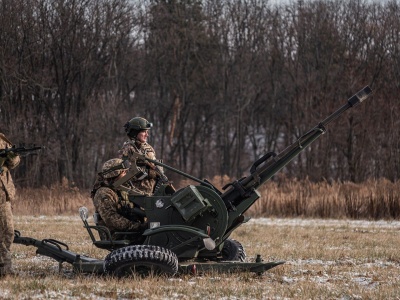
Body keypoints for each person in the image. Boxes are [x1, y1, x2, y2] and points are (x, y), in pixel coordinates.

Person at [91, 158, 148, 242]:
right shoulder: (103, 193)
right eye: (124, 172)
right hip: (118, 235)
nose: (126, 174)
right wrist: (139, 227)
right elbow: (112, 219)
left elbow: (142, 198)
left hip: (129, 231)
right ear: (115, 174)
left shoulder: (122, 188)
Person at [119, 117, 162, 195]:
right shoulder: (128, 149)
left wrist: (159, 171)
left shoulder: (148, 147)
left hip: (152, 191)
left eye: (147, 132)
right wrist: (149, 173)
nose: (147, 135)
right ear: (134, 132)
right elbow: (124, 173)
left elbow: (156, 166)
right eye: (144, 132)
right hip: (137, 193)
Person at [0, 132, 20, 277]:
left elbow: (14, 162)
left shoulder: (1, 139)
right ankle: (6, 270)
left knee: (9, 231)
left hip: (4, 193)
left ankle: (3, 267)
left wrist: (9, 156)